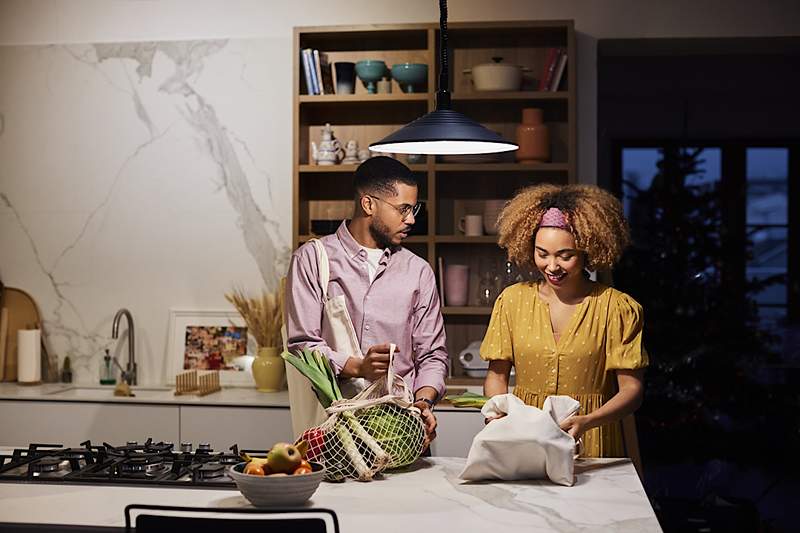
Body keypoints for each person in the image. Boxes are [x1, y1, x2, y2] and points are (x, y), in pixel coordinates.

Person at [285, 156, 448, 447]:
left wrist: (424, 402)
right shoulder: (312, 259)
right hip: (333, 436)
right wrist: (357, 367)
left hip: (403, 434)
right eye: (403, 209)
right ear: (369, 204)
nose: (411, 219)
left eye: (414, 209)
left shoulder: (419, 271)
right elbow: (302, 347)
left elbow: (433, 355)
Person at [481, 183, 647, 457]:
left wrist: (588, 421)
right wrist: (498, 413)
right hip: (525, 438)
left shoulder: (616, 308)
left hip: (592, 439)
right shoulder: (512, 301)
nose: (552, 266)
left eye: (565, 255)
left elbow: (632, 391)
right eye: (542, 253)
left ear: (587, 252)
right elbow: (496, 376)